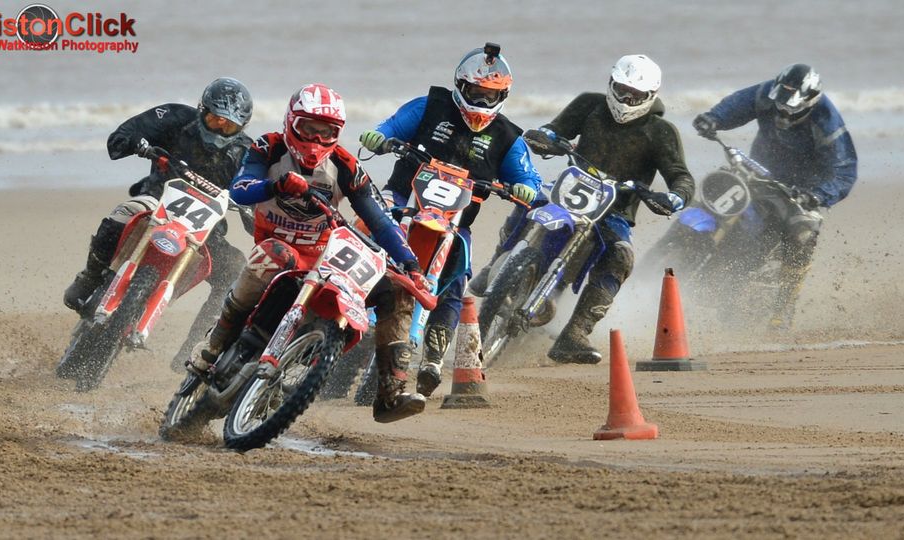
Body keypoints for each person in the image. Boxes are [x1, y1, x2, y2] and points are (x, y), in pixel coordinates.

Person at [189, 83, 430, 423]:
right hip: (278, 247)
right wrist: (275, 185)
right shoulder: (268, 147)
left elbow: (379, 219)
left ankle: (391, 391)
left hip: (324, 256)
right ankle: (213, 346)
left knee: (400, 291)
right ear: (291, 122)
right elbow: (240, 191)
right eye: (308, 130)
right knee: (273, 256)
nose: (316, 141)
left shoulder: (345, 166)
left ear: (337, 134)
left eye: (326, 132)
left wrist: (411, 265)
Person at [358, 42, 542, 397]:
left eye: (491, 96)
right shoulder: (431, 106)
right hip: (403, 199)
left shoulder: (507, 137)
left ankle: (433, 356)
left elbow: (527, 177)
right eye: (476, 93)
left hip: (455, 223)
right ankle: (336, 295)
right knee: (365, 229)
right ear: (461, 86)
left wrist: (526, 190)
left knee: (459, 274)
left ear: (503, 95)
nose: (482, 102)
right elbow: (390, 126)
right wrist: (379, 137)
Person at [498, 54, 696, 364]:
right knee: (531, 200)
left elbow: (680, 175)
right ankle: (496, 265)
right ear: (611, 84)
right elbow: (555, 129)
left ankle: (575, 333)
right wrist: (546, 138)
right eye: (621, 90)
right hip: (568, 191)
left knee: (621, 256)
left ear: (651, 96)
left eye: (636, 95)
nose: (627, 99)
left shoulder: (661, 132)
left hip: (613, 213)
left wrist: (675, 197)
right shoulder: (589, 104)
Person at [62, 77, 254, 368]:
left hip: (204, 229)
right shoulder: (175, 117)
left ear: (242, 127)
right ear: (202, 109)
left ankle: (197, 348)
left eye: (228, 126)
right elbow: (122, 135)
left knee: (235, 271)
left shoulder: (248, 153)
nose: (219, 129)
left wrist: (253, 209)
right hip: (154, 203)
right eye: (214, 119)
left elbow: (259, 194)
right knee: (120, 217)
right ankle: (88, 279)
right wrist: (140, 144)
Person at [692, 63, 858, 330]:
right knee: (719, 197)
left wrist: (817, 195)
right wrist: (715, 118)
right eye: (780, 106)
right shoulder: (767, 93)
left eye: (791, 110)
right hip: (759, 170)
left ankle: (783, 307)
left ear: (810, 102)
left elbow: (845, 173)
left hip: (801, 191)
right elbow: (740, 104)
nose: (783, 114)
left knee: (803, 234)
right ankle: (689, 256)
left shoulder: (828, 123)